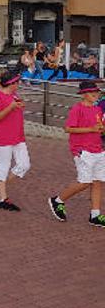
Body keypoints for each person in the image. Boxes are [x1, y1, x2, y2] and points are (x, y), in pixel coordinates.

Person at [48, 81, 105, 227]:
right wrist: (91, 129)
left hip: (98, 149)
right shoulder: (77, 109)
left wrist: (100, 130)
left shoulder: (97, 109)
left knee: (98, 181)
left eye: (97, 92)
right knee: (85, 182)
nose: (96, 94)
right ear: (84, 94)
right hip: (82, 150)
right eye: (93, 92)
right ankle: (58, 200)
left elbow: (99, 129)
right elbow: (68, 128)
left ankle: (95, 215)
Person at [0, 71, 27, 212]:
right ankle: (2, 199)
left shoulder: (13, 95)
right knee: (3, 166)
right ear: (11, 83)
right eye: (17, 82)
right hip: (3, 137)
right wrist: (11, 107)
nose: (19, 84)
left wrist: (20, 105)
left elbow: (15, 110)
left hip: (18, 136)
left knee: (24, 165)